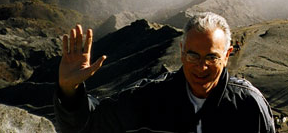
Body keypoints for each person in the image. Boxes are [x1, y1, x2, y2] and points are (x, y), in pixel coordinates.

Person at [53, 11, 275, 132]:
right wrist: (69, 89)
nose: (201, 66)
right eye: (193, 56)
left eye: (212, 57)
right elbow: (92, 124)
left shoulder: (249, 106)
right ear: (181, 52)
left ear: (227, 56)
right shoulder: (152, 97)